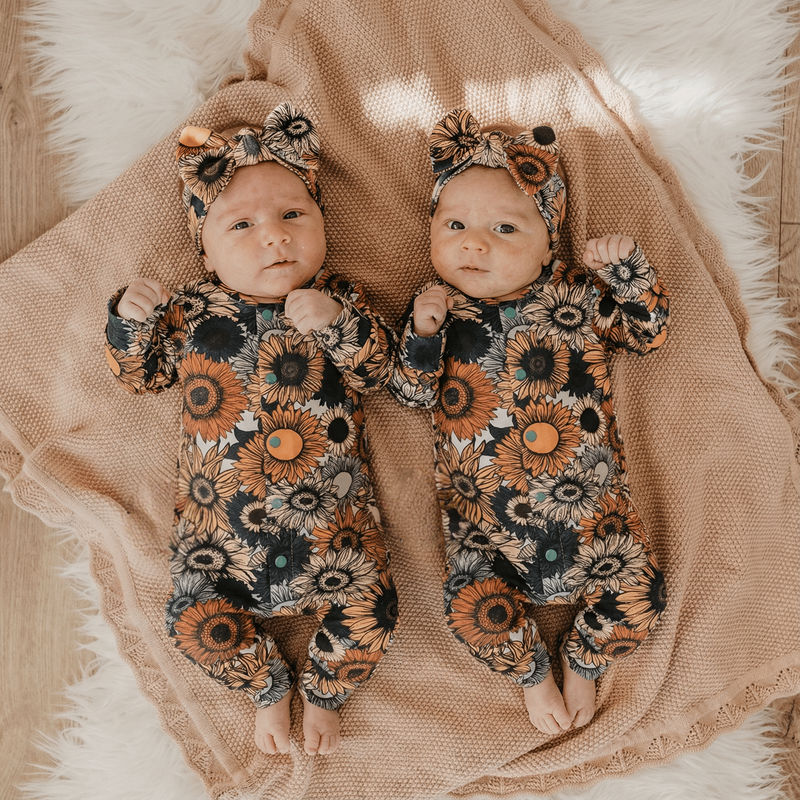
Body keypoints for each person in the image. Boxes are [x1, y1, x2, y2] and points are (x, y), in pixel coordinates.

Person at [104, 103, 398, 757]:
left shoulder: (339, 300)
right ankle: (266, 687)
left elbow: (379, 368)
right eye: (242, 224)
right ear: (204, 249)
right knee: (190, 620)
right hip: (219, 547)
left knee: (373, 612)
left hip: (336, 539)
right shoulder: (191, 311)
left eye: (294, 214)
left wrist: (336, 324)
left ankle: (324, 691)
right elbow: (140, 375)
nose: (275, 236)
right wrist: (131, 322)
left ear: (322, 221)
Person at [388, 108, 669, 735]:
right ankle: (531, 674)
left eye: (505, 228)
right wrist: (425, 334)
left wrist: (627, 274)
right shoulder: (438, 311)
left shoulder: (572, 293)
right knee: (471, 609)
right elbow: (408, 391)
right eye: (454, 224)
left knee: (639, 599)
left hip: (596, 517)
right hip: (486, 527)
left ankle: (584, 659)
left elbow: (646, 333)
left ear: (550, 243)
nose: (474, 242)